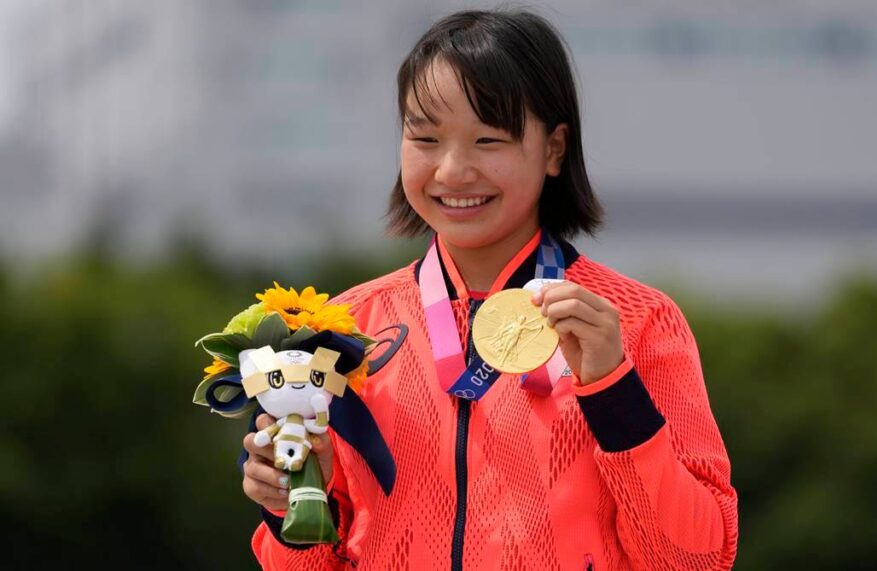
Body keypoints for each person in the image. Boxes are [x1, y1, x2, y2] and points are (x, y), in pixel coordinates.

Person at [241, 9, 738, 570]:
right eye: (425, 138)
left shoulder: (637, 322)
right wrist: (293, 511)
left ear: (554, 149)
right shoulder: (344, 329)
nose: (453, 171)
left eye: (488, 140)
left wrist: (613, 391)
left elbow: (696, 559)